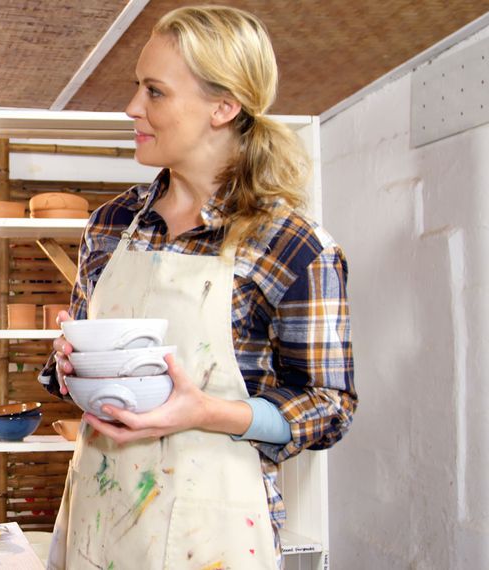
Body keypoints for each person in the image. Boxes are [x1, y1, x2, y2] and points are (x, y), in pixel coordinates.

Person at [43, 6, 356, 569]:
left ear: (224, 106)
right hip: (100, 517)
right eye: (137, 88)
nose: (132, 107)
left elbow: (330, 406)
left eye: (155, 92)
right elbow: (72, 376)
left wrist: (207, 411)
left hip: (212, 532)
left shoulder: (292, 245)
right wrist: (72, 363)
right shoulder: (112, 224)